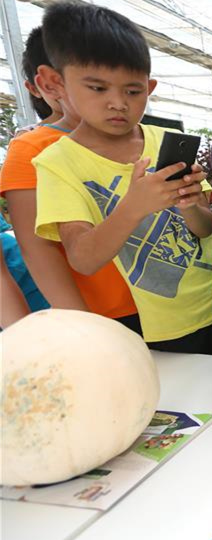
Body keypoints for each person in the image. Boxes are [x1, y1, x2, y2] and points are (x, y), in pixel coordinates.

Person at [32, 1, 212, 355]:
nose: (118, 103)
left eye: (133, 91)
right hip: (160, 332)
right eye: (97, 88)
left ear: (150, 86)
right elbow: (82, 258)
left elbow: (207, 227)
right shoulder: (57, 163)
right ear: (56, 83)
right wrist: (135, 206)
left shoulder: (161, 141)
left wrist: (189, 204)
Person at [0, 18, 141, 333]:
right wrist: (83, 325)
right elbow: (39, 250)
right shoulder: (32, 150)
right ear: (48, 84)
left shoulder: (139, 138)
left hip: (171, 307)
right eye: (94, 84)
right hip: (105, 314)